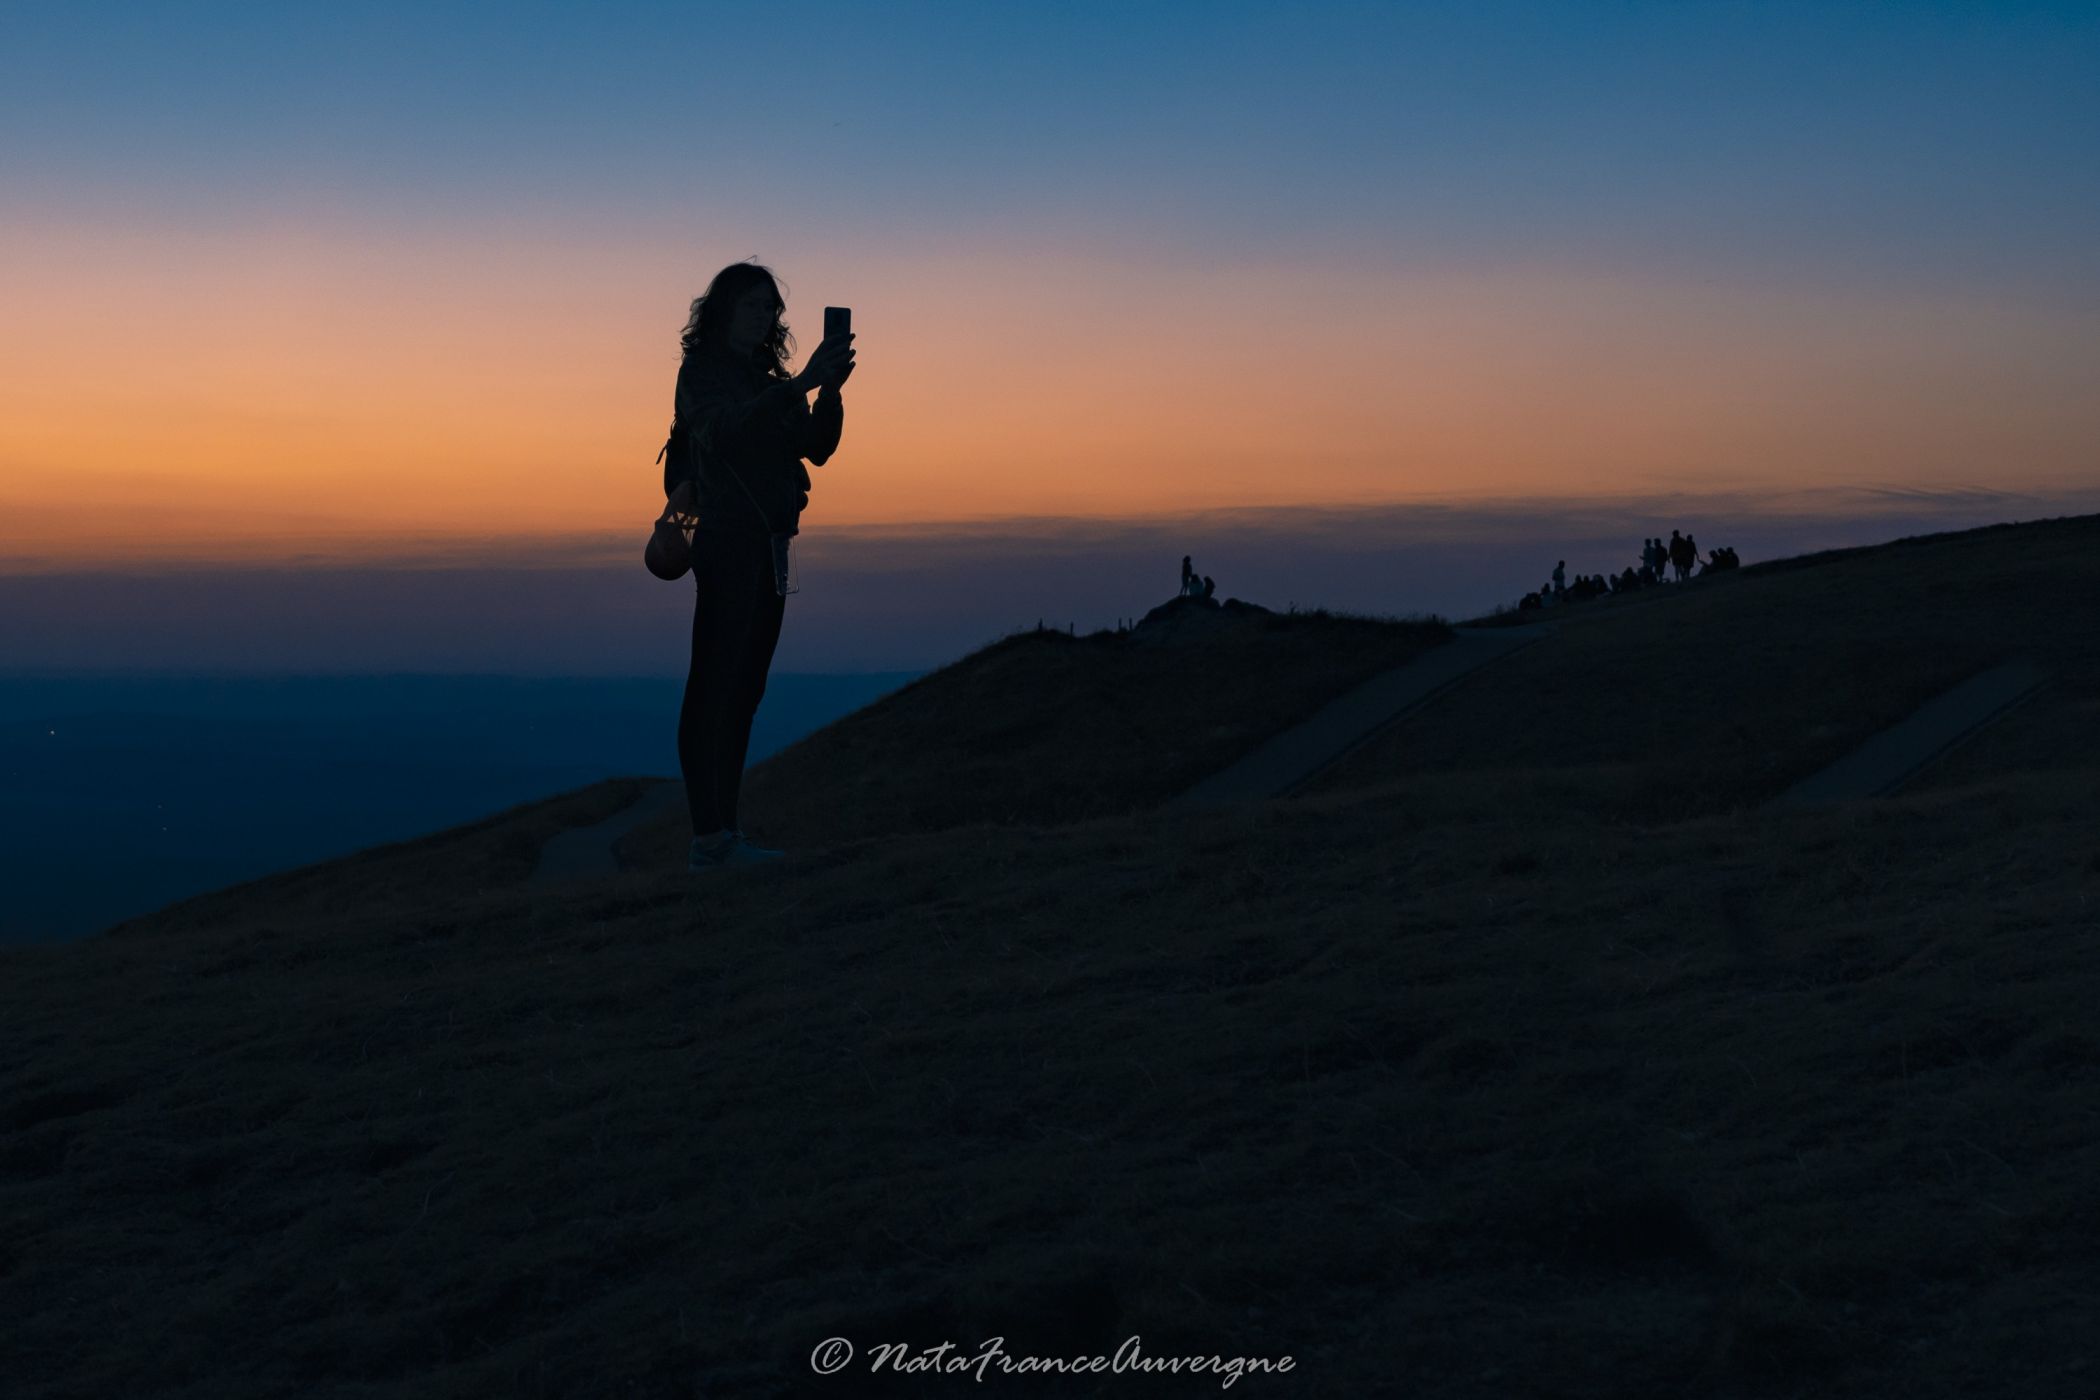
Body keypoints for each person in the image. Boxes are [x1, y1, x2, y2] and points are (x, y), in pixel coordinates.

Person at [666, 260, 856, 871]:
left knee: (745, 689)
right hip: (725, 539)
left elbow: (815, 449)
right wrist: (796, 386)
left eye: (772, 307)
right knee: (713, 686)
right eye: (754, 304)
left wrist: (828, 390)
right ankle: (709, 840)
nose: (767, 315)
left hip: (771, 540)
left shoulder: (764, 374)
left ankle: (726, 834)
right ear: (723, 309)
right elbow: (720, 431)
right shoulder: (702, 373)